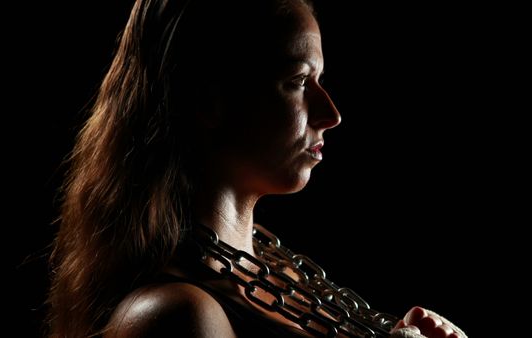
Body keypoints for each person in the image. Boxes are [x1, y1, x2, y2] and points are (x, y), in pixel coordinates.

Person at [45, 0, 468, 337]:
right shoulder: (176, 314)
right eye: (298, 81)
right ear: (209, 99)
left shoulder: (280, 279)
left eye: (320, 80)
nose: (331, 113)